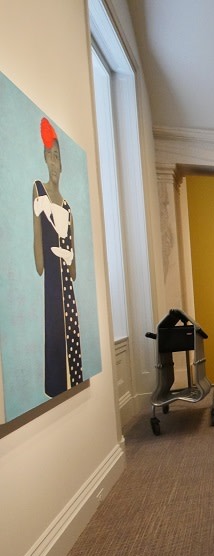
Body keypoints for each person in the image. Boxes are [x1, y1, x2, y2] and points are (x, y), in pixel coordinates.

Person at [33, 117, 84, 397]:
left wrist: (70, 262)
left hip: (65, 277)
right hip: (52, 277)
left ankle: (74, 380)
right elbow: (38, 234)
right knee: (54, 325)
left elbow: (72, 258)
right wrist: (41, 260)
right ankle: (56, 385)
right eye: (50, 156)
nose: (54, 163)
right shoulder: (39, 190)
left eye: (57, 157)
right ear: (45, 159)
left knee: (70, 328)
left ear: (62, 164)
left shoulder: (67, 206)